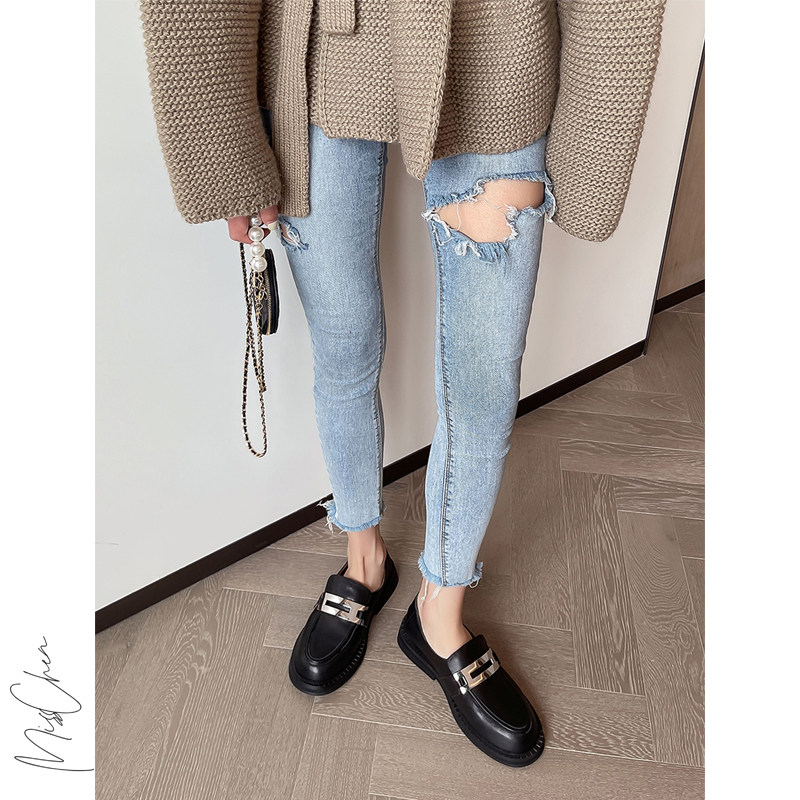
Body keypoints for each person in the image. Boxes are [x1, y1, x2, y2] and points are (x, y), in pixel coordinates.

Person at [139, 0, 667, 768]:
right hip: (319, 54)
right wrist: (225, 148)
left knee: (483, 381)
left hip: (498, 53)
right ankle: (364, 559)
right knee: (343, 347)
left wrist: (593, 141)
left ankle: (439, 611)